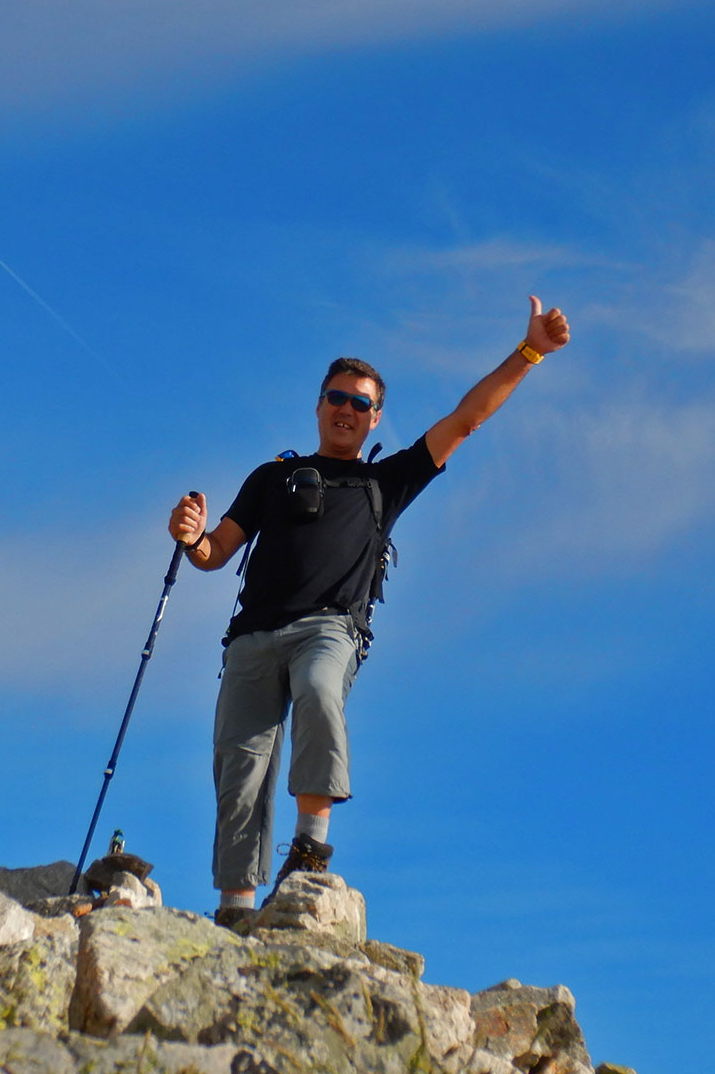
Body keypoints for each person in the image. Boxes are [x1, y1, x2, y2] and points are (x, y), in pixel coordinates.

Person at [168, 296, 571, 926]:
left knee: (321, 689)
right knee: (240, 768)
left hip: (329, 626)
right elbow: (217, 550)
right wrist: (192, 537)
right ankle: (235, 910)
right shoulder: (272, 477)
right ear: (319, 404)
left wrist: (529, 353)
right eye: (337, 398)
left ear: (376, 416)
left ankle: (308, 849)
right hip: (251, 636)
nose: (347, 410)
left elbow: (466, 419)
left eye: (361, 403)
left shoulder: (387, 482)